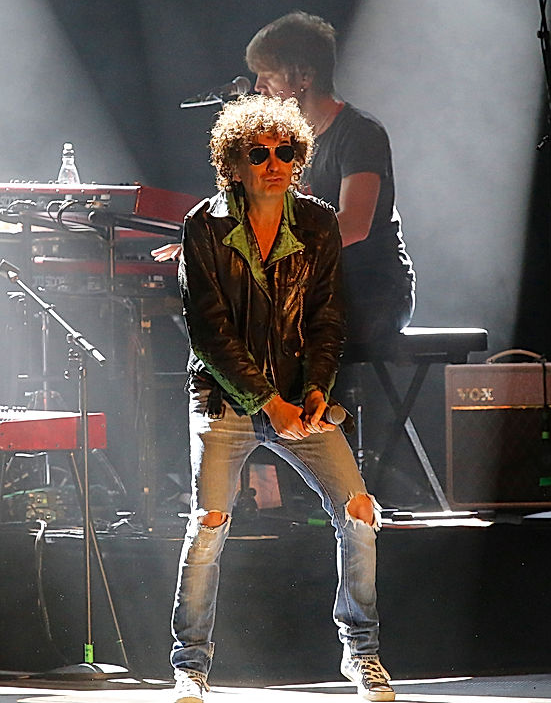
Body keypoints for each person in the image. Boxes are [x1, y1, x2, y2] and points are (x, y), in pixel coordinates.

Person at [169, 94, 395, 703]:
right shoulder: (203, 227)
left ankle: (362, 655)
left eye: (286, 151)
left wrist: (318, 389)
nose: (275, 162)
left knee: (359, 512)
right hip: (229, 402)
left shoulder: (319, 223)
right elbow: (210, 332)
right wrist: (269, 404)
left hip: (300, 398)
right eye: (259, 153)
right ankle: (190, 665)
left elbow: (327, 318)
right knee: (210, 525)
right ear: (233, 164)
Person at [245, 10, 414, 348]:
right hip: (316, 289)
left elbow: (354, 224)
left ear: (304, 75)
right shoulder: (285, 142)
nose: (258, 87)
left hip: (372, 290)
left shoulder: (360, 133)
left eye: (268, 74)